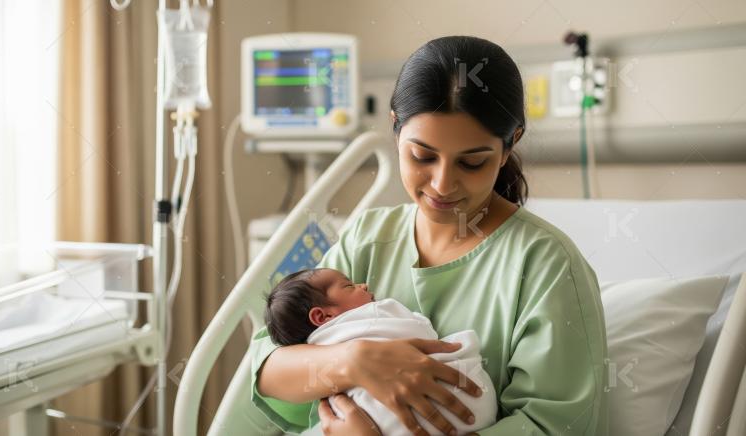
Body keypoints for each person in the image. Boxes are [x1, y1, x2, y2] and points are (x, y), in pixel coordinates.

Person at [250, 35, 609, 436]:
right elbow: (269, 365)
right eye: (422, 156)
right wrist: (353, 361)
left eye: (471, 162)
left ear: (511, 145)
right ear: (395, 129)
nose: (442, 184)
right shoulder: (368, 236)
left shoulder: (547, 266)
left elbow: (558, 427)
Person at [263, 268, 498, 435]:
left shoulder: (315, 343)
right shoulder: (378, 313)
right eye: (349, 286)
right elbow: (420, 330)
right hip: (464, 409)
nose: (364, 285)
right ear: (322, 316)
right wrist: (354, 358)